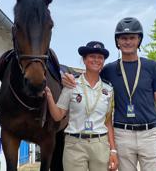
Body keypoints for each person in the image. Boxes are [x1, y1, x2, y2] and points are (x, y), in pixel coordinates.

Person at [62, 17, 156, 171]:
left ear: (139, 40)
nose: (127, 42)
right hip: (122, 134)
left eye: (132, 38)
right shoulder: (109, 70)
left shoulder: (152, 67)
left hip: (149, 135)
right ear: (117, 41)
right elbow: (88, 76)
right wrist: (64, 75)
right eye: (123, 38)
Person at [45, 41, 118, 171]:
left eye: (100, 57)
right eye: (92, 56)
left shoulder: (108, 90)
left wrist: (113, 150)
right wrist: (49, 96)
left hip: (100, 145)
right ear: (84, 59)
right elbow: (58, 116)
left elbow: (108, 122)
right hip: (74, 145)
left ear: (103, 61)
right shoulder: (71, 85)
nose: (96, 60)